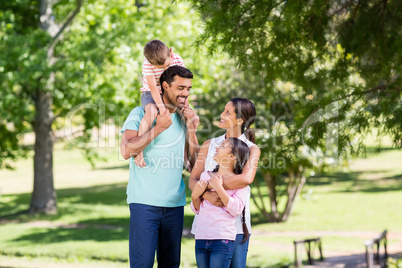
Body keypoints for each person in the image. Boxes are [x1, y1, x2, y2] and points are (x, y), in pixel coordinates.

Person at [120, 65, 199, 268]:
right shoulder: (140, 113)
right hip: (144, 204)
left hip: (174, 205)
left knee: (171, 264)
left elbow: (194, 166)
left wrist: (191, 131)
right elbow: (127, 150)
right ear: (164, 86)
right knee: (142, 264)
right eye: (181, 87)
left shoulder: (184, 118)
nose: (185, 93)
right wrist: (158, 128)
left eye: (189, 88)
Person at [189, 98, 261, 268]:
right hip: (206, 227)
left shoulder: (251, 148)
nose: (222, 115)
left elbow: (246, 179)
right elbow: (193, 179)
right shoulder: (210, 145)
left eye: (228, 112)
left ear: (240, 120)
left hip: (235, 229)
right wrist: (207, 195)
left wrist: (209, 185)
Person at [191, 138, 251, 268]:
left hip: (222, 239)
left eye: (222, 146)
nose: (217, 147)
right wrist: (195, 195)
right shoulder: (205, 176)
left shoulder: (240, 183)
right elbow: (197, 209)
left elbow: (236, 210)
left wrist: (219, 188)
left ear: (231, 156)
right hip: (201, 238)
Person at [135, 39, 186, 167]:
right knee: (151, 112)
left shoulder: (178, 60)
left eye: (167, 66)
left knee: (188, 116)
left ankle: (187, 154)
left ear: (170, 52)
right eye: (161, 68)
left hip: (171, 93)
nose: (165, 69)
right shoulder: (147, 64)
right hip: (151, 93)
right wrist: (162, 108)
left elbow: (183, 84)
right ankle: (138, 150)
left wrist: (184, 104)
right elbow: (152, 87)